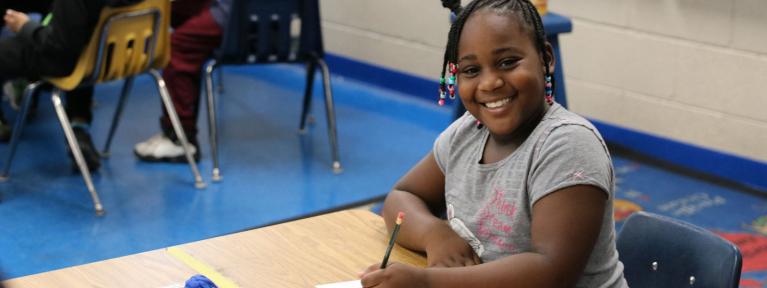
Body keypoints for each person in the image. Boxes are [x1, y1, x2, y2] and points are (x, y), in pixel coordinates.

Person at [359, 0, 628, 287]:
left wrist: (427, 282)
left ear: (545, 57)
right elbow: (401, 197)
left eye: (508, 62)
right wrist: (435, 234)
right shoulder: (466, 133)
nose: (489, 83)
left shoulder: (568, 145)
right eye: (471, 70)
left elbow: (551, 272)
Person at [0, 1, 103, 170]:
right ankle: (79, 126)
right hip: (104, 56)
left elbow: (58, 45)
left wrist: (25, 26)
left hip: (66, 60)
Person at [133, 0, 231, 162]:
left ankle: (179, 138)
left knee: (177, 46)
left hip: (233, 16)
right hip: (270, 18)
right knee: (180, 12)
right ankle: (181, 131)